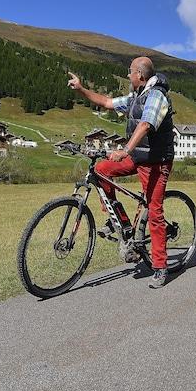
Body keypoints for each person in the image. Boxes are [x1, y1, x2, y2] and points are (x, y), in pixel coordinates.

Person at [67, 56, 176, 289]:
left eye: (130, 72)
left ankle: (160, 266)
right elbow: (107, 102)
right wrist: (81, 89)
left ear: (140, 75)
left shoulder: (156, 95)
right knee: (101, 169)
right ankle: (121, 222)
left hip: (157, 162)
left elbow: (146, 124)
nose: (128, 76)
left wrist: (125, 150)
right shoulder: (135, 96)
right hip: (139, 157)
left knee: (154, 212)